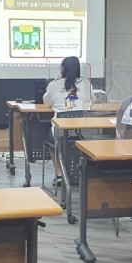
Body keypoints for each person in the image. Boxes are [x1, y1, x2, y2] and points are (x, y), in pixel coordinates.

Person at [43, 56, 95, 184]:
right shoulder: (85, 83)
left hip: (60, 132)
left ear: (62, 69)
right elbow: (92, 101)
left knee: (50, 141)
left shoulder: (54, 84)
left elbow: (47, 102)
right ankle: (84, 172)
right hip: (83, 131)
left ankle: (59, 174)